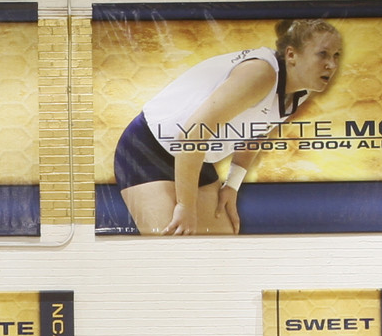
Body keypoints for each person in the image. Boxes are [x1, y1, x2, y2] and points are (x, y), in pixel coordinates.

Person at [114, 18, 344, 236]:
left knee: (221, 249)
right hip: (147, 149)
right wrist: (186, 205)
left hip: (195, 158)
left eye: (336, 55)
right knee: (175, 249)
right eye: (322, 54)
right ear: (292, 54)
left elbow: (256, 134)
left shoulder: (298, 91)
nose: (331, 64)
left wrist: (231, 186)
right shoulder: (260, 73)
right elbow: (194, 133)